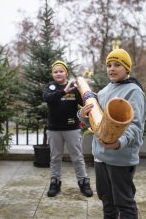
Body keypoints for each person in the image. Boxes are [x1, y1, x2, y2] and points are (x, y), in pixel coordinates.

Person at [78, 49, 146, 218]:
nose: (112, 68)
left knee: (124, 203)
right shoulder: (102, 92)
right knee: (107, 202)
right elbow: (96, 122)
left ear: (127, 69)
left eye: (117, 65)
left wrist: (118, 143)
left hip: (120, 158)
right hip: (100, 157)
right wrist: (82, 115)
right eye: (109, 65)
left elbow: (135, 126)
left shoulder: (134, 92)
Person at [43, 60, 93, 198]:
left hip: (72, 128)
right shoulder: (50, 87)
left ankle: (83, 182)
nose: (58, 73)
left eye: (61, 71)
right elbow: (47, 98)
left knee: (77, 157)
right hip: (54, 129)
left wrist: (91, 97)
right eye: (55, 71)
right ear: (53, 74)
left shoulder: (74, 88)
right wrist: (63, 92)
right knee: (55, 158)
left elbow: (84, 103)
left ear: (66, 73)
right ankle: (55, 183)